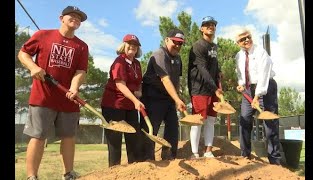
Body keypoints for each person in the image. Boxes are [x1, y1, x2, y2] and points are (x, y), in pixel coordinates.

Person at [17, 6, 89, 180]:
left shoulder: (82, 46)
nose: (76, 19)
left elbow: (81, 71)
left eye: (79, 18)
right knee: (38, 136)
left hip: (68, 100)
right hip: (43, 97)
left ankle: (68, 173)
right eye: (72, 15)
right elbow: (23, 53)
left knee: (69, 137)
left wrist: (74, 88)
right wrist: (33, 67)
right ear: (61, 18)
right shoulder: (43, 35)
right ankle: (32, 176)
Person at [234, 27, 281, 165]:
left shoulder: (261, 52)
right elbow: (240, 73)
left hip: (266, 88)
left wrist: (258, 95)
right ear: (238, 43)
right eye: (242, 39)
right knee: (244, 121)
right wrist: (241, 84)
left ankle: (275, 161)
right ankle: (245, 156)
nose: (246, 40)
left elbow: (264, 75)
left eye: (248, 37)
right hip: (248, 90)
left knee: (270, 124)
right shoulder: (239, 56)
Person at [139, 28, 186, 161]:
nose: (177, 45)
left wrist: (178, 97)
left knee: (173, 127)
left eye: (180, 43)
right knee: (151, 129)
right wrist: (176, 99)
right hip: (152, 96)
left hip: (168, 98)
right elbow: (165, 79)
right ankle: (147, 161)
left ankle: (169, 157)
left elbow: (176, 80)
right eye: (175, 42)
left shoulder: (178, 59)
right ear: (166, 40)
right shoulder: (159, 54)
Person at [100, 34, 145, 167]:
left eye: (135, 45)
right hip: (114, 105)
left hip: (130, 106)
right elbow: (120, 85)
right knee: (115, 141)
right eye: (129, 44)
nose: (133, 47)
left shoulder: (137, 64)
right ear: (123, 45)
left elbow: (139, 82)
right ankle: (114, 170)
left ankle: (133, 168)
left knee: (133, 138)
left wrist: (139, 92)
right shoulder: (119, 62)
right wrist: (135, 100)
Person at [187, 16, 223, 159]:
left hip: (212, 88)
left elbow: (214, 64)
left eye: (213, 24)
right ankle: (194, 153)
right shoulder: (198, 46)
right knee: (198, 121)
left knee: (211, 120)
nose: (211, 27)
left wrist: (219, 71)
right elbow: (202, 69)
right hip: (200, 89)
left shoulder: (214, 46)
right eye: (207, 25)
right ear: (201, 29)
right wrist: (215, 88)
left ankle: (208, 151)